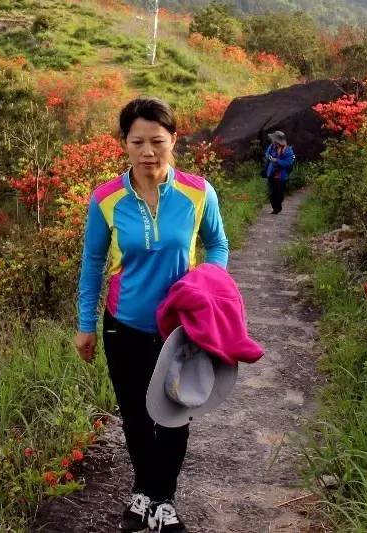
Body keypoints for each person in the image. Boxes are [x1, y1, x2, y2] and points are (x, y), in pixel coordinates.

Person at [75, 97, 230, 533]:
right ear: (124, 143)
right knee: (136, 415)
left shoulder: (198, 192)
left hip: (183, 329)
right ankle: (142, 493)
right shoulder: (107, 199)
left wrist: (207, 282)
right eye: (137, 141)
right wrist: (86, 326)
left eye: (157, 141)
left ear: (173, 140)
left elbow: (218, 244)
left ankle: (165, 501)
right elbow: (91, 264)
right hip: (123, 324)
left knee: (176, 414)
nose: (148, 151)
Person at [263, 130, 295, 215]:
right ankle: (275, 209)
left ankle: (278, 207)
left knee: (279, 194)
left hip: (281, 176)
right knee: (271, 193)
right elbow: (267, 153)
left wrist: (277, 161)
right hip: (271, 173)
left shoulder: (288, 150)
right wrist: (269, 157)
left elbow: (289, 162)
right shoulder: (272, 146)